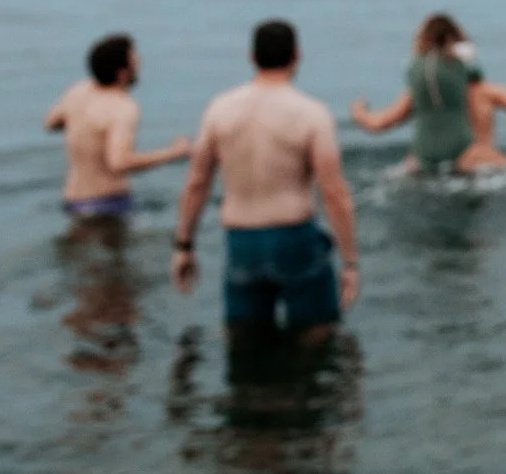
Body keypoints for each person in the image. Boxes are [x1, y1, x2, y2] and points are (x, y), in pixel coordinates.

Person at [172, 20, 361, 340]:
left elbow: (197, 183)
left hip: (241, 241)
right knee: (315, 336)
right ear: (297, 56)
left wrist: (184, 246)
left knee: (246, 341)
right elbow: (334, 192)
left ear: (251, 57)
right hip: (294, 237)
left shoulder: (220, 109)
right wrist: (351, 264)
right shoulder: (311, 113)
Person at [348, 12, 506, 174]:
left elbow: (378, 124)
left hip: (424, 166)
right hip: (477, 162)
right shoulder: (485, 91)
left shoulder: (418, 93)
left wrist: (359, 112)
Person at [44, 32, 191, 218]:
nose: (139, 65)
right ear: (122, 73)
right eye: (135, 63)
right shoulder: (123, 107)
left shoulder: (78, 91)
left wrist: (86, 125)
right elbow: (120, 162)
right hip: (109, 203)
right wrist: (176, 152)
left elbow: (50, 123)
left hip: (72, 202)